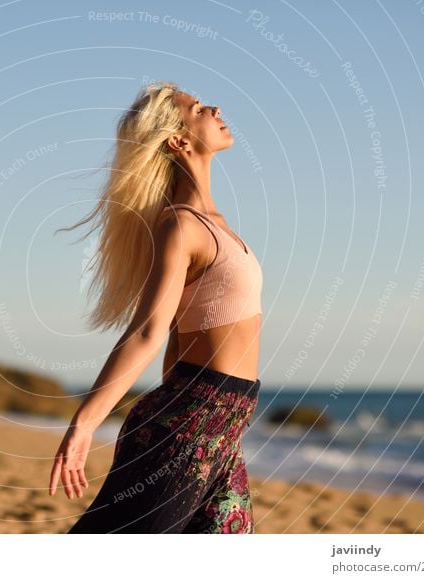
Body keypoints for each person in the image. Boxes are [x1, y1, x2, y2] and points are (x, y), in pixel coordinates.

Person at [49, 81, 263, 533]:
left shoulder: (215, 226)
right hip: (188, 428)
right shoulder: (181, 226)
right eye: (200, 107)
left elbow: (179, 343)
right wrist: (85, 424)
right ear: (178, 140)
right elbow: (148, 332)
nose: (216, 107)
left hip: (221, 428)